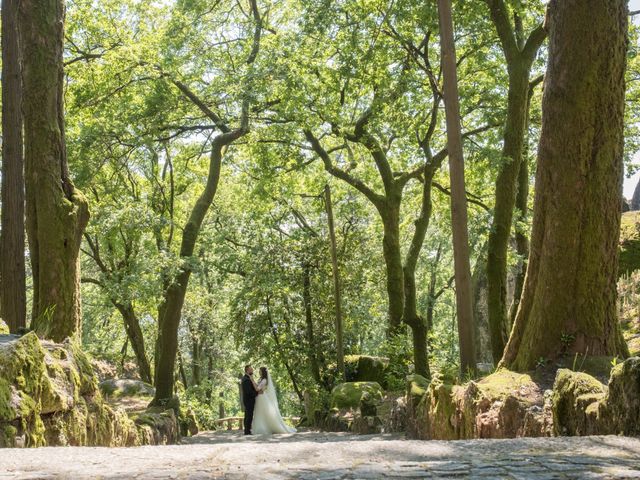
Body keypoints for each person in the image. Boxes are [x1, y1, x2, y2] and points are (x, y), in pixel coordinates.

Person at [251, 367, 297, 435]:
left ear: (263, 372)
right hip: (259, 397)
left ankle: (264, 428)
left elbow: (257, 389)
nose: (259, 372)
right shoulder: (260, 379)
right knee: (259, 412)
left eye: (260, 371)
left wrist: (252, 381)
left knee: (261, 412)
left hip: (262, 397)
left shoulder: (264, 380)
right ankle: (260, 427)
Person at [240, 365, 261, 435]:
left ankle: (247, 430)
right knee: (249, 415)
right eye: (251, 369)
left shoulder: (247, 378)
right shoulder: (246, 379)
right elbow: (249, 392)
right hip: (249, 400)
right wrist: (257, 392)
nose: (252, 371)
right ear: (247, 370)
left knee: (248, 415)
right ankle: (247, 431)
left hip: (248, 400)